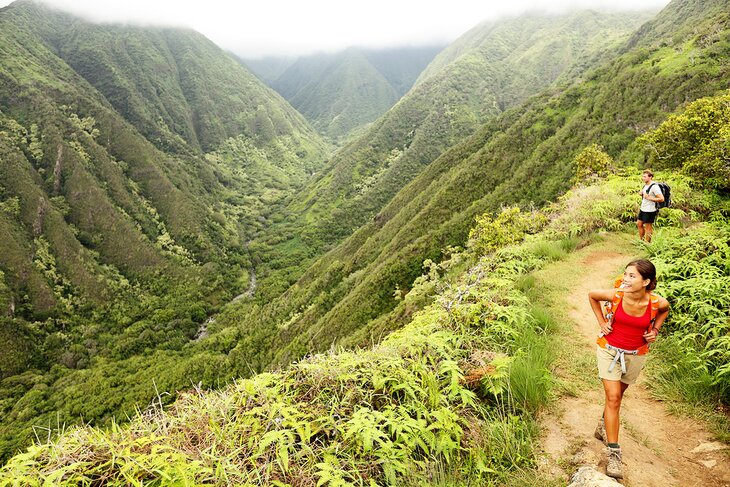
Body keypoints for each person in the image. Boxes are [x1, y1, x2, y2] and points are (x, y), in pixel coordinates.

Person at [588, 259, 669, 479]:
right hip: (609, 351)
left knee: (617, 397)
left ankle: (603, 423)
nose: (626, 279)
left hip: (636, 355)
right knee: (613, 398)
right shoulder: (616, 295)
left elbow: (665, 308)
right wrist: (601, 322)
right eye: (626, 274)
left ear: (646, 282)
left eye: (632, 276)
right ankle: (614, 452)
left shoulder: (655, 303)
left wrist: (656, 330)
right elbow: (592, 295)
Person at [636, 170, 664, 243]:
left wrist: (649, 198)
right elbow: (646, 194)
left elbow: (661, 199)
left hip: (650, 210)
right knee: (639, 224)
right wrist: (641, 194)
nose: (643, 178)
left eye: (645, 177)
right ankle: (641, 241)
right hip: (643, 208)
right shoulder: (646, 185)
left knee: (648, 227)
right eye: (643, 176)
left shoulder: (655, 187)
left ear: (650, 177)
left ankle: (647, 244)